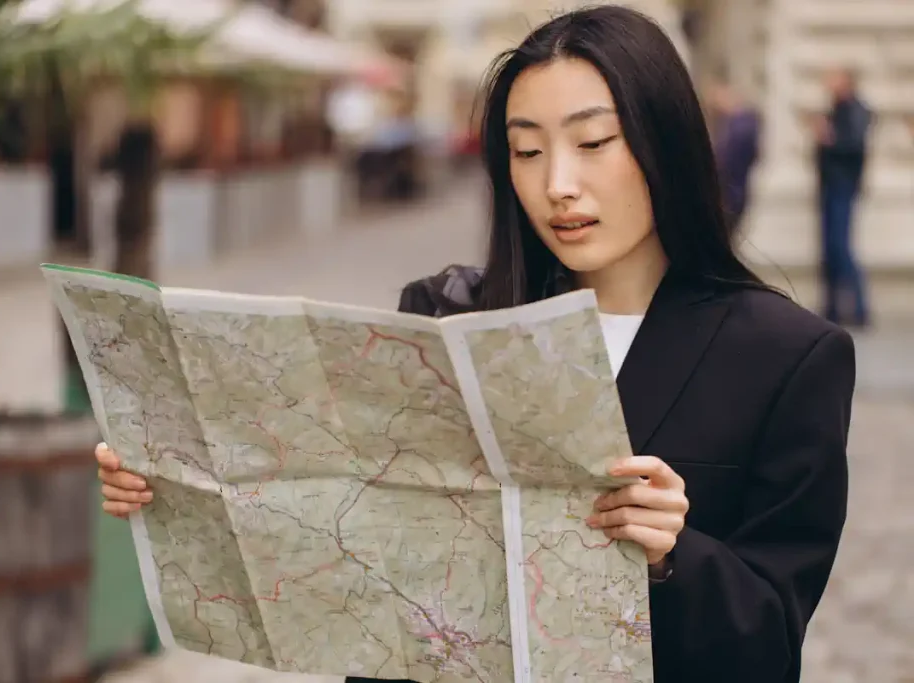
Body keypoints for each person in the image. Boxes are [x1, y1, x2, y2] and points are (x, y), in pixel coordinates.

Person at [95, 7, 855, 683]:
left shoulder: (787, 357)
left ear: (665, 143)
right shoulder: (442, 319)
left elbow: (772, 639)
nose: (559, 183)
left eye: (594, 142)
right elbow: (350, 531)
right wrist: (180, 485)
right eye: (527, 152)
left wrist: (673, 554)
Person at [812, 67, 873, 327]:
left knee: (840, 246)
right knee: (829, 248)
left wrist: (828, 138)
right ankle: (832, 307)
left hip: (842, 187)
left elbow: (853, 145)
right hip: (830, 187)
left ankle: (859, 308)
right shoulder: (836, 109)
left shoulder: (857, 110)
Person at [707, 78, 761, 238]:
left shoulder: (741, 126)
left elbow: (727, 160)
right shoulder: (734, 124)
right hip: (733, 192)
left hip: (730, 193)